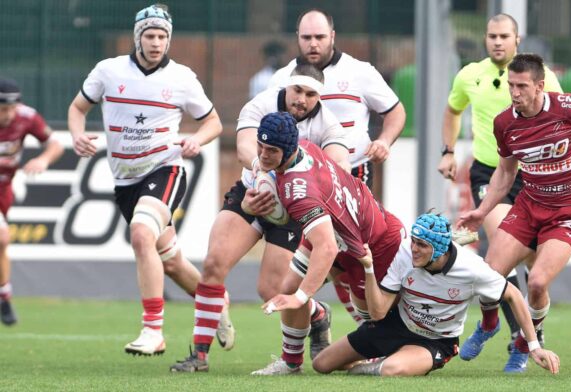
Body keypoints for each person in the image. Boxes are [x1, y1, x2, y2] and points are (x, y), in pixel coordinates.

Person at [67, 4, 233, 356]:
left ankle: (153, 330)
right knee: (170, 262)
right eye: (150, 35)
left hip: (166, 170)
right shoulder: (108, 71)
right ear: (137, 37)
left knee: (141, 232)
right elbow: (78, 107)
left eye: (162, 36)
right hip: (126, 181)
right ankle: (215, 302)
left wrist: (195, 140)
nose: (157, 43)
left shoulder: (182, 78)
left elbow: (214, 123)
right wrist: (77, 134)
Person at [169, 65, 351, 373]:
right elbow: (243, 147)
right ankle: (199, 357)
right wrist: (262, 175)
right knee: (213, 264)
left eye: (310, 94)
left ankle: (317, 315)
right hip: (252, 193)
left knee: (273, 291)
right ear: (287, 86)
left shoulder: (329, 125)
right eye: (297, 91)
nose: (302, 100)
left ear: (320, 96)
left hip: (294, 209)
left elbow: (338, 169)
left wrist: (294, 190)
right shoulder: (261, 104)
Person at [456, 53, 571, 372]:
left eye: (522, 86)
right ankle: (490, 324)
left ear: (539, 86)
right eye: (511, 85)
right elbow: (505, 174)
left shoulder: (570, 107)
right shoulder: (505, 122)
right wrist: (481, 211)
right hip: (529, 206)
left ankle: (525, 343)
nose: (514, 92)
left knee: (536, 283)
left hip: (568, 212)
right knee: (488, 276)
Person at [437, 13, 564, 371]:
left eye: (504, 36)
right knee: (502, 246)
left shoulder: (543, 77)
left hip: (534, 177)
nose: (497, 42)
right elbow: (452, 110)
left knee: (532, 267)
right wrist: (448, 152)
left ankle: (511, 329)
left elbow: (561, 121)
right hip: (489, 173)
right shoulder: (470, 74)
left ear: (517, 39)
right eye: (491, 36)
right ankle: (516, 340)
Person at [269, 7, 407, 329]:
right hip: (300, 184)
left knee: (348, 263)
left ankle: (374, 332)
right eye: (306, 37)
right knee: (305, 272)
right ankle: (329, 322)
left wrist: (384, 140)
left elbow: (395, 111)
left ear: (332, 36)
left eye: (320, 37)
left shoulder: (360, 72)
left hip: (351, 179)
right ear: (297, 39)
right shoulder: (283, 79)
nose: (313, 44)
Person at [248, 112, 411, 376]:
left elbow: (327, 249)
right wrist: (258, 180)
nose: (264, 154)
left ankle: (404, 349)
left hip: (370, 244)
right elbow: (324, 240)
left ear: (287, 148)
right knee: (288, 286)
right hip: (335, 230)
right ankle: (291, 362)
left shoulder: (299, 192)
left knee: (373, 317)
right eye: (261, 146)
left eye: (272, 150)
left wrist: (301, 297)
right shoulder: (304, 147)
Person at [312, 213, 560, 376]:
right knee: (321, 365)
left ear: (440, 249)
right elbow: (377, 312)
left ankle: (381, 365)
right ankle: (380, 361)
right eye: (414, 241)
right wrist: (368, 267)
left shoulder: (471, 268)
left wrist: (534, 346)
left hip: (436, 340)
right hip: (396, 324)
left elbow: (514, 295)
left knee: (391, 370)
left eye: (422, 245)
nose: (414, 249)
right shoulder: (405, 253)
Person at [0, 78, 64, 326]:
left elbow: (55, 144)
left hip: (4, 189)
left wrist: (44, 160)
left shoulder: (26, 117)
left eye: (11, 108)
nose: (8, 115)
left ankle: (4, 296)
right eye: (3, 109)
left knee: (1, 244)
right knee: (3, 237)